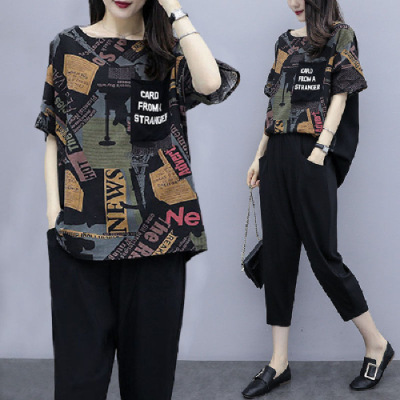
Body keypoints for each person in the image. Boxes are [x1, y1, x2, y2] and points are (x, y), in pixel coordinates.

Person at [34, 0, 239, 399]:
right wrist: (52, 214)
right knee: (78, 384)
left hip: (158, 242)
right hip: (79, 239)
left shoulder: (169, 52)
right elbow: (54, 132)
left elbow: (211, 85)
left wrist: (174, 10)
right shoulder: (69, 45)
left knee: (150, 385)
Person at [242, 0, 394, 397]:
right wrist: (259, 155)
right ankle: (278, 363)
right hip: (277, 153)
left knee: (324, 256)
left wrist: (322, 148)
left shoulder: (340, 35)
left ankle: (376, 344)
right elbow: (275, 104)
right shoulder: (284, 41)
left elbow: (341, 94)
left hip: (313, 153)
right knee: (278, 256)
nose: (295, 2)